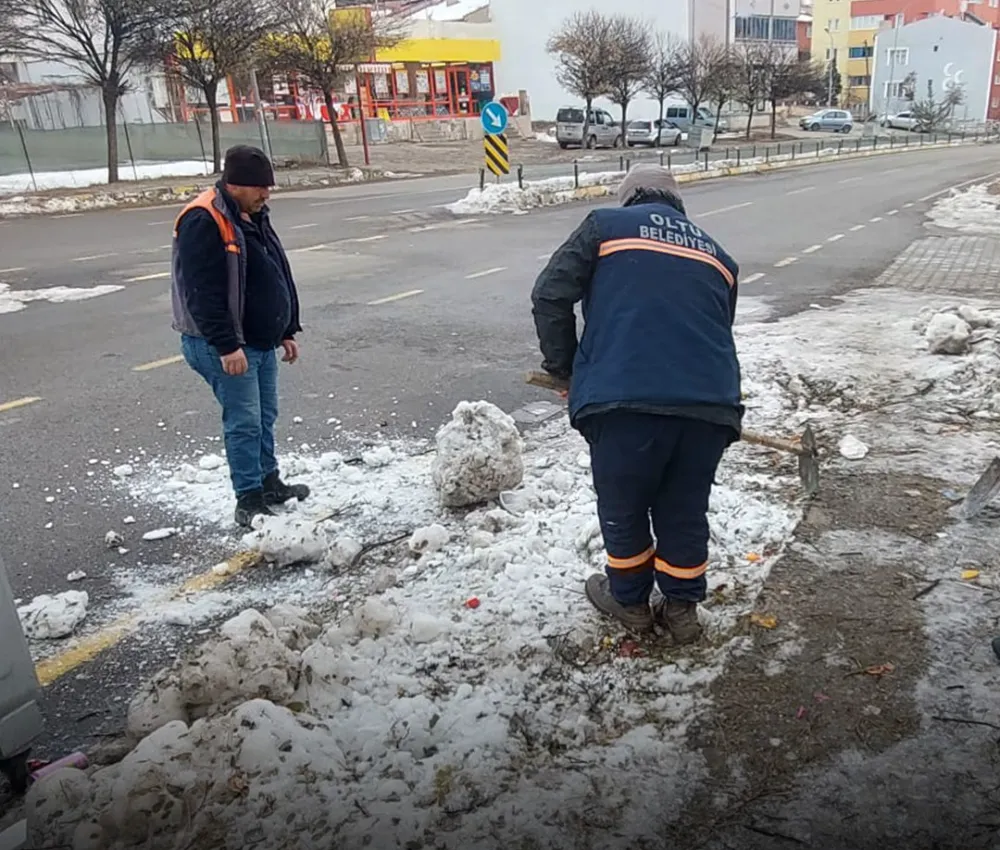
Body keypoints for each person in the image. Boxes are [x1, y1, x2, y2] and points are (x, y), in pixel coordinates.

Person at [531, 164, 743, 645]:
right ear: (679, 206)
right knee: (684, 506)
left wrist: (563, 370)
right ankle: (682, 610)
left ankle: (629, 601)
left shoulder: (605, 227)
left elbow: (549, 294)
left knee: (624, 502)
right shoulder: (719, 257)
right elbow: (715, 328)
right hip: (709, 404)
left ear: (630, 198)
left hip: (625, 398)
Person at [171, 145, 309, 528]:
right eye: (261, 187)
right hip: (226, 344)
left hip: (260, 340)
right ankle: (248, 498)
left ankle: (269, 483)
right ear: (235, 185)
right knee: (244, 421)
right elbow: (203, 292)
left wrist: (285, 329)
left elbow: (272, 270)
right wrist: (227, 345)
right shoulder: (204, 220)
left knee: (265, 415)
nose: (268, 194)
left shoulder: (252, 213)